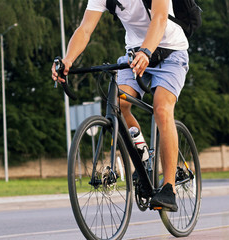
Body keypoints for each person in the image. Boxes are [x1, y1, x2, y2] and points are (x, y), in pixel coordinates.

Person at [51, 0, 189, 212]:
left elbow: (160, 18)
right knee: (118, 104)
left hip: (170, 54)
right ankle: (144, 156)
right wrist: (68, 60)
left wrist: (146, 50)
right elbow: (85, 29)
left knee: (161, 109)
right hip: (134, 56)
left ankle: (168, 188)